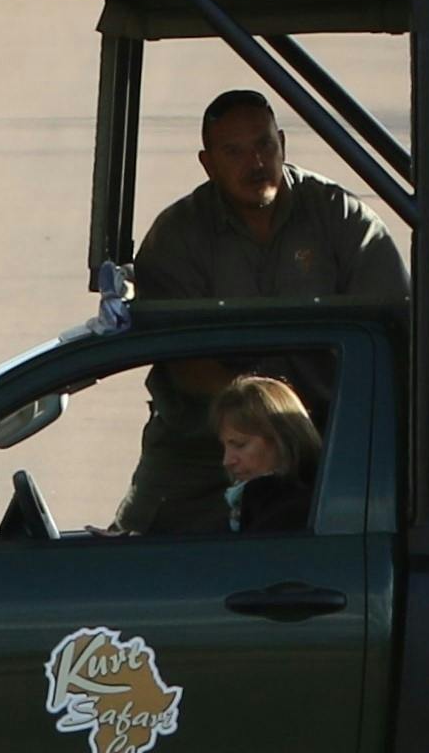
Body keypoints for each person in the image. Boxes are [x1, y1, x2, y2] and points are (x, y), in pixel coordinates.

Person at [120, 88, 402, 532]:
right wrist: (263, 417)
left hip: (328, 436)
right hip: (204, 442)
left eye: (264, 145)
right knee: (134, 555)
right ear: (207, 162)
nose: (254, 163)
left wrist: (299, 428)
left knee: (368, 544)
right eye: (234, 151)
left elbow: (392, 333)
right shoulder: (178, 236)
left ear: (283, 144)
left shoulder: (343, 219)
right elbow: (184, 362)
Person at [211, 375, 322, 536]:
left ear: (282, 440)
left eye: (240, 445)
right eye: (225, 447)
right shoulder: (246, 511)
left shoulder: (290, 518)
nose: (227, 461)